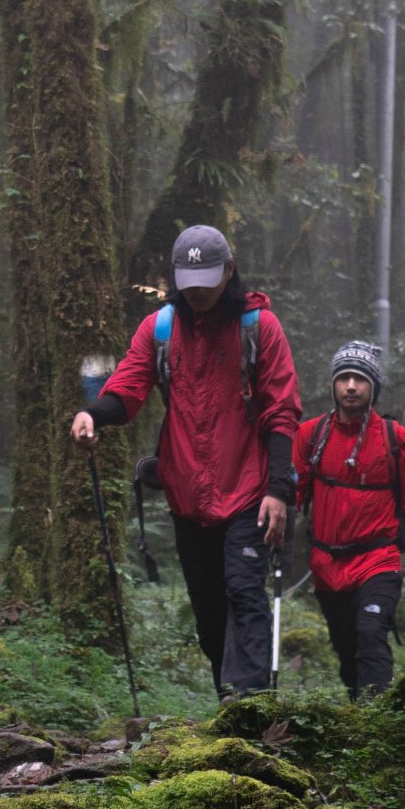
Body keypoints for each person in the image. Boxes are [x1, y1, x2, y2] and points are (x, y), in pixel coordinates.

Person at [71, 225, 301, 697]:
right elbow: (128, 391)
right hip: (187, 496)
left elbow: (282, 410)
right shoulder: (159, 330)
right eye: (189, 280)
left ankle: (251, 712)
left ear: (230, 272)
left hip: (249, 492)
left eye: (208, 279)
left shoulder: (258, 328)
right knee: (210, 615)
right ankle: (230, 704)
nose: (197, 290)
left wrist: (280, 490)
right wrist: (92, 415)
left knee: (244, 595)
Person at [289, 341, 405, 697]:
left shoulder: (394, 438)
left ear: (374, 387)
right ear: (333, 385)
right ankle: (359, 709)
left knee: (370, 630)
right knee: (345, 645)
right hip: (327, 564)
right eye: (344, 378)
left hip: (378, 560)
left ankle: (378, 713)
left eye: (360, 379)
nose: (351, 386)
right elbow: (293, 493)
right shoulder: (311, 435)